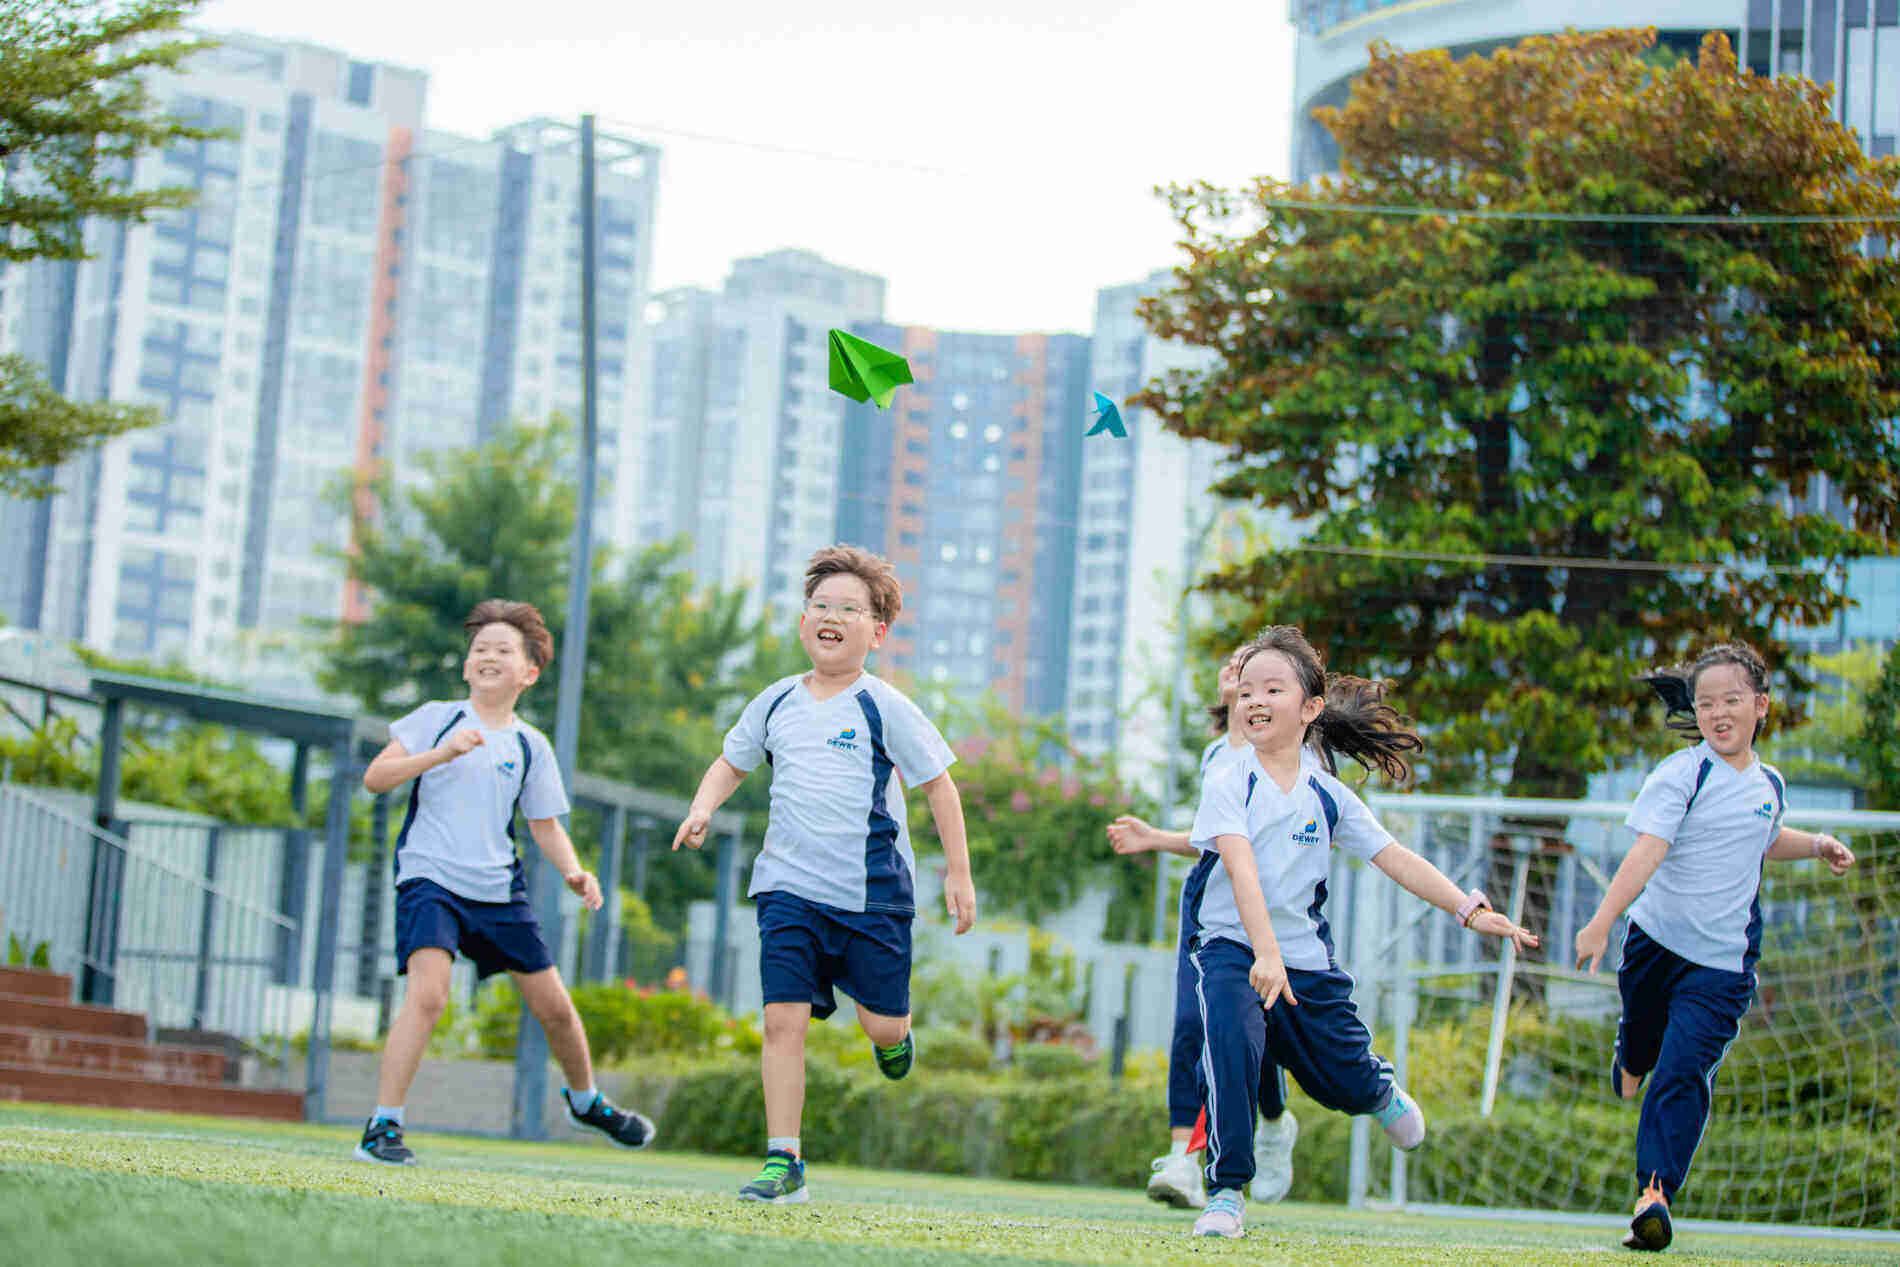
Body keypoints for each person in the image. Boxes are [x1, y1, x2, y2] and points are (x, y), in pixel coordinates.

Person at [1185, 626, 1538, 1239]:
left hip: (1304, 960)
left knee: (1340, 1085)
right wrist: (1262, 954)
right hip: (1232, 949)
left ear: (1311, 709)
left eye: (1273, 689)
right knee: (1230, 1046)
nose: (1255, 700)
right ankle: (1226, 1192)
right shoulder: (1227, 779)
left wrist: (1468, 909)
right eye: (1246, 691)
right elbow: (1240, 868)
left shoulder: (1327, 794)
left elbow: (1394, 856)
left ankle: (1378, 1092)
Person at [673, 545, 978, 1205]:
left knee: (881, 1027)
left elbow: (939, 784)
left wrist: (959, 873)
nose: (831, 616)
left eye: (849, 609)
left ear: (877, 632)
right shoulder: (776, 700)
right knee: (781, 1020)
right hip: (787, 889)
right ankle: (784, 1160)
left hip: (872, 896)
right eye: (821, 605)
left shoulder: (883, 706)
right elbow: (731, 762)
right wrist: (702, 808)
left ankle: (896, 1037)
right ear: (803, 621)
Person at [1574, 642, 1856, 1253]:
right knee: (1644, 1047)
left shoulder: (1770, 784)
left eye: (1731, 701)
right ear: (1695, 712)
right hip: (1654, 945)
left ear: (1761, 706)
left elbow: (1764, 836)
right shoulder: (1682, 774)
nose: (1718, 713)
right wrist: (1602, 921)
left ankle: (1653, 1196)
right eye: (1705, 704)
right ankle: (1631, 1053)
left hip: (1722, 967)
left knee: (1682, 1071)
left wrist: (1817, 845)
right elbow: (1647, 852)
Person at [354, 599, 655, 1166]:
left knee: (556, 1009)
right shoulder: (436, 719)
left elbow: (545, 825)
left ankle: (586, 1102)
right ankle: (382, 1125)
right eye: (480, 649)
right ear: (467, 666)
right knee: (428, 995)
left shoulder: (530, 745)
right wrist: (440, 754)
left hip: (496, 891)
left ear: (529, 673)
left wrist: (574, 871)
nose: (488, 656)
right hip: (430, 877)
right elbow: (376, 777)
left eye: (503, 650)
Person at [1107, 648, 1301, 1210]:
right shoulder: (1216, 754)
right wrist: (1153, 838)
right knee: (1192, 1023)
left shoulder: (1287, 754)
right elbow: (1211, 838)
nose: (1236, 675)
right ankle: (1183, 1161)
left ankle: (1274, 1123)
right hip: (1208, 900)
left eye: (1250, 669)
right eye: (1231, 667)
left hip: (1269, 902)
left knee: (1253, 1031)